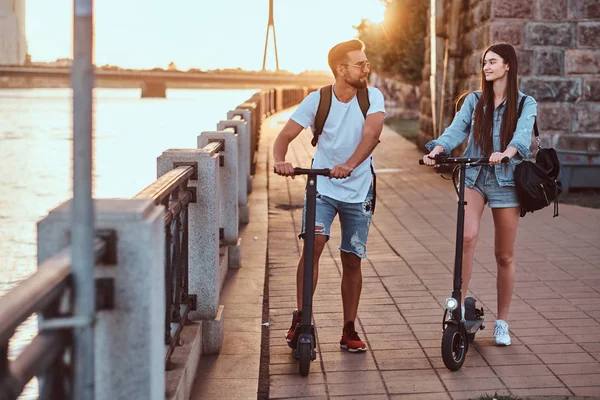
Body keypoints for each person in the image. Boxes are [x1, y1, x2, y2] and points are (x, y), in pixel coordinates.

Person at [273, 39, 386, 352]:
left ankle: (349, 328)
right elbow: (284, 136)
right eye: (359, 64)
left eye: (366, 62)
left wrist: (349, 165)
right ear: (341, 69)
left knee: (352, 259)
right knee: (314, 245)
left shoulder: (371, 97)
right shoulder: (318, 99)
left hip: (359, 188)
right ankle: (302, 318)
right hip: (322, 186)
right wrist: (279, 160)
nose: (366, 68)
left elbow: (372, 135)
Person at [423, 43, 537, 346]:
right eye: (484, 62)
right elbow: (456, 130)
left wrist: (507, 153)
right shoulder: (474, 101)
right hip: (473, 175)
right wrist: (438, 149)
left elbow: (522, 137)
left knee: (504, 255)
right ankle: (457, 306)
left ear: (508, 65)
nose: (486, 67)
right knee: (468, 237)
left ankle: (502, 322)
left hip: (506, 181)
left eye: (492, 62)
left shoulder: (525, 103)